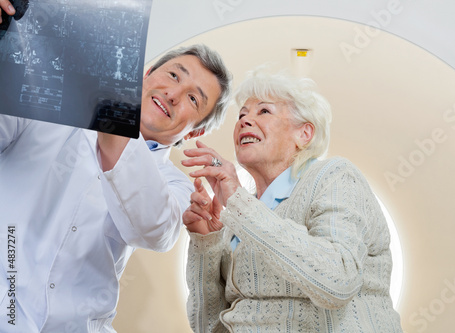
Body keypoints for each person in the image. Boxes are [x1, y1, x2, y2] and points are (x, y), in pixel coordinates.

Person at [0, 27, 232, 333]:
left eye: (192, 98)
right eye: (174, 75)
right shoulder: (50, 102)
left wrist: (113, 117)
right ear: (146, 73)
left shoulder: (178, 187)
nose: (173, 95)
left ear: (194, 132)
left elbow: (155, 229)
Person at [181, 68, 403, 332]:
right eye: (241, 115)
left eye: (263, 111)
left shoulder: (334, 177)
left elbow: (337, 282)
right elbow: (208, 326)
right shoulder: (238, 216)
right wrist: (207, 243)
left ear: (304, 134)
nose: (244, 121)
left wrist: (240, 205)